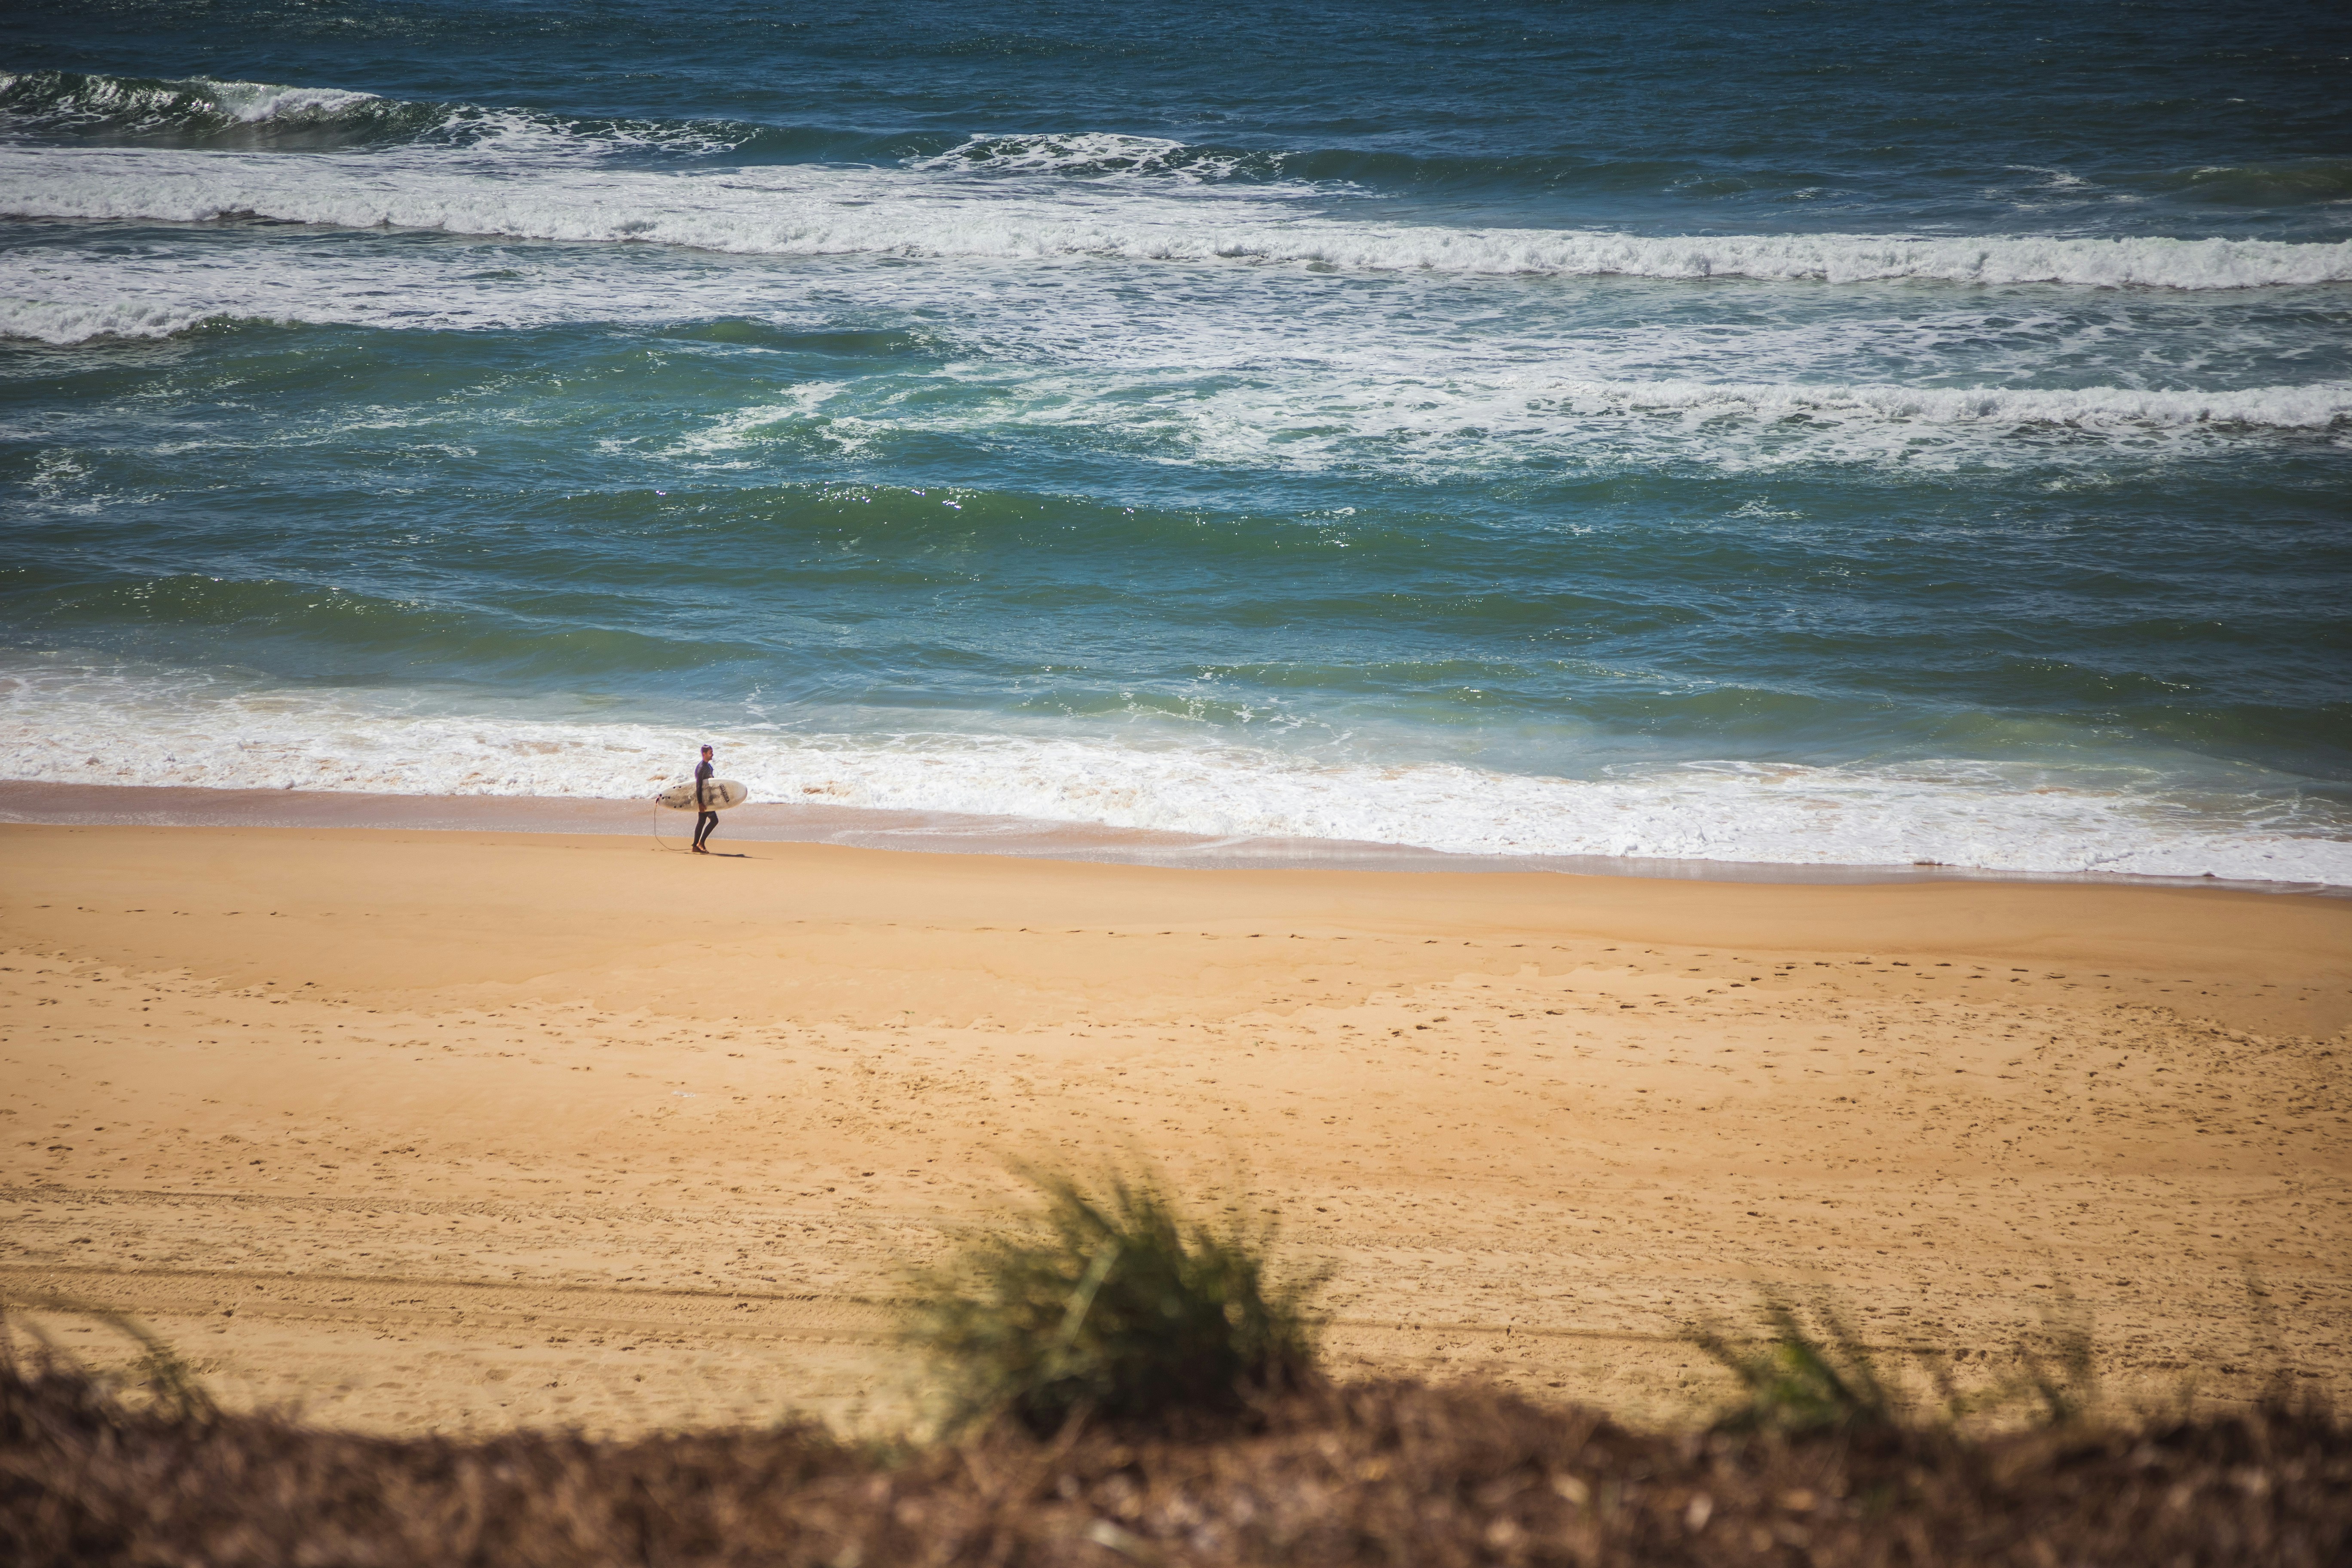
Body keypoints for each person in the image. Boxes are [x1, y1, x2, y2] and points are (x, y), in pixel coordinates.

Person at [691, 744, 721, 854]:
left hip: (708, 798)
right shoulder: (701, 768)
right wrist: (700, 802)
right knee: (715, 821)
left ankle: (695, 846)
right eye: (710, 753)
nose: (712, 754)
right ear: (704, 754)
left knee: (702, 822)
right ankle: (701, 843)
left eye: (712, 752)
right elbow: (698, 786)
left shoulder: (709, 767)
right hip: (704, 800)